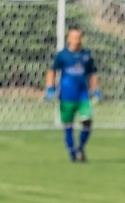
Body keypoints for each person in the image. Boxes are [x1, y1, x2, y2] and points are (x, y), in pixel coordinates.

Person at [45, 27, 100, 163]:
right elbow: (52, 71)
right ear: (68, 39)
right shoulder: (62, 55)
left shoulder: (86, 55)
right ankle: (72, 152)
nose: (76, 40)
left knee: (87, 121)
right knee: (68, 125)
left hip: (82, 95)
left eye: (78, 37)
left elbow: (91, 73)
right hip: (66, 96)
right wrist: (50, 88)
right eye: (73, 37)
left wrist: (95, 90)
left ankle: (80, 148)